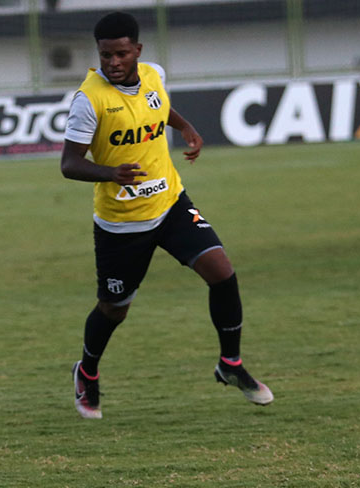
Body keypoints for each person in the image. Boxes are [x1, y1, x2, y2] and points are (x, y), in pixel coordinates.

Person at [60, 12, 273, 419]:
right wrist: (110, 173)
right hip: (122, 223)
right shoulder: (89, 100)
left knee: (222, 272)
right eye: (106, 55)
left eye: (122, 54)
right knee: (114, 308)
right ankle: (86, 372)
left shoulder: (154, 74)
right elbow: (69, 164)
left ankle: (230, 364)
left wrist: (187, 127)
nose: (113, 63)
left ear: (138, 51)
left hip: (171, 203)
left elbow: (158, 107)